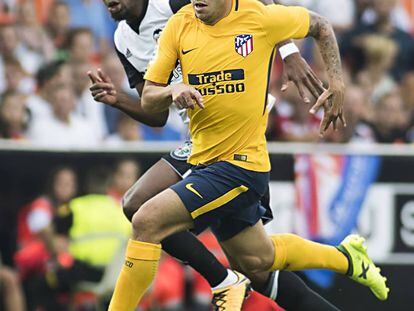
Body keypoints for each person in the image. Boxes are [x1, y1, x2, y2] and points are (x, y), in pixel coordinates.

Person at [107, 0, 389, 310]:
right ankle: (345, 258)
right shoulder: (179, 24)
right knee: (259, 260)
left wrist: (323, 74)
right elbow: (150, 98)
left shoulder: (258, 19)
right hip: (202, 155)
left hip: (240, 166)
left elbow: (320, 25)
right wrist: (170, 91)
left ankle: (223, 282)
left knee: (145, 218)